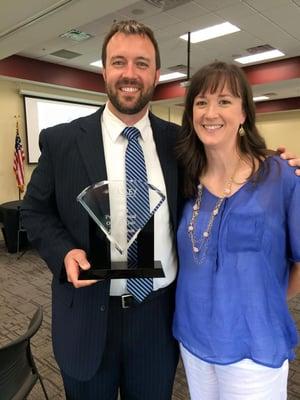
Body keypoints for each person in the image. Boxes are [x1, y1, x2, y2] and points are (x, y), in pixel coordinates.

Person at [21, 19, 300, 400]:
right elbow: (34, 212)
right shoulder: (62, 141)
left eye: (142, 63)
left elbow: (230, 165)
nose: (129, 74)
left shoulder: (180, 145)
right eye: (119, 62)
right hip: (86, 316)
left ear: (155, 73)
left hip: (157, 320)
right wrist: (64, 252)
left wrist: (272, 161)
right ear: (104, 70)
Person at [173, 61, 300, 400]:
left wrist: (265, 299)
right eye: (201, 102)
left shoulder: (281, 176)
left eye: (224, 100)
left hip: (254, 347)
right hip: (195, 340)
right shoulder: (184, 178)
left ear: (244, 112)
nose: (210, 112)